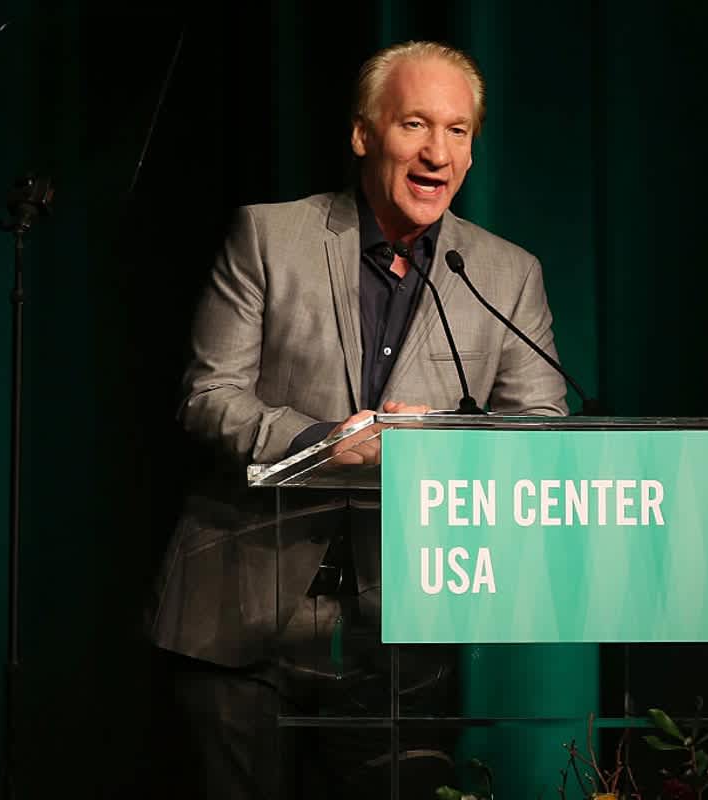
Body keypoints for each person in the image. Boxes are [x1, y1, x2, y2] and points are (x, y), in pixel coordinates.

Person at [147, 40, 567, 799]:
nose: (437, 151)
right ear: (363, 134)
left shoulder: (507, 272)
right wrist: (323, 444)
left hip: (405, 631)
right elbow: (209, 397)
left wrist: (434, 439)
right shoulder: (269, 237)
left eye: (458, 131)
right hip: (243, 614)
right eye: (414, 124)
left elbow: (539, 425)